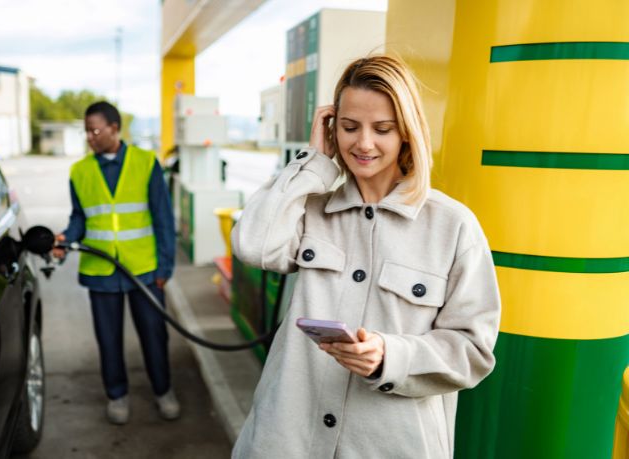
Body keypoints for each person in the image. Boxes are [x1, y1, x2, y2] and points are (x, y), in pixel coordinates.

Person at [230, 55, 501, 458]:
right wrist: (313, 163)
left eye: (383, 129)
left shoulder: (453, 226)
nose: (364, 143)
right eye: (349, 126)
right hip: (287, 442)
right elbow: (253, 245)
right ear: (331, 127)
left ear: (406, 131)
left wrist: (389, 356)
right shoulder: (311, 210)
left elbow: (471, 351)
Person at [53, 101, 178, 425]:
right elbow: (80, 218)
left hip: (144, 269)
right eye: (86, 132)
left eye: (94, 131)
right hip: (101, 272)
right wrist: (65, 239)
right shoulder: (79, 171)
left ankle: (163, 390)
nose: (90, 137)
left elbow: (163, 218)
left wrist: (165, 267)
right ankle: (117, 395)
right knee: (108, 340)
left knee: (154, 336)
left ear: (114, 128)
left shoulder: (145, 163)